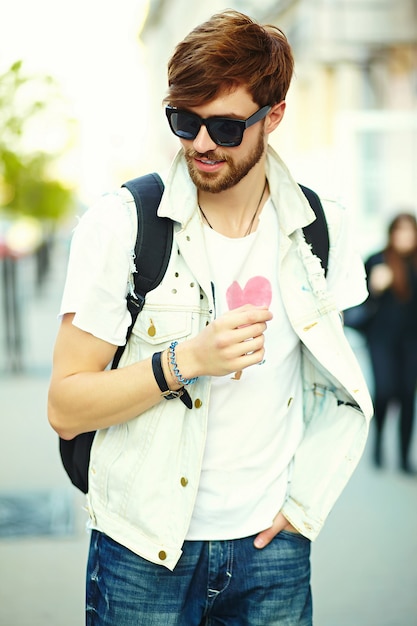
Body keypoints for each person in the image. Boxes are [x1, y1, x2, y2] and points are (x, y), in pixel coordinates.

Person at [48, 10, 373, 625]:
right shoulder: (121, 224)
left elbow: (339, 389)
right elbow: (65, 405)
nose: (200, 143)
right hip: (142, 551)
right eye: (184, 121)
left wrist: (304, 507)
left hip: (272, 550)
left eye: (225, 127)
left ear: (272, 116)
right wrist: (186, 360)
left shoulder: (320, 229)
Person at [363, 213, 417, 474]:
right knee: (384, 391)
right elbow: (361, 300)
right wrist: (375, 288)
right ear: (392, 234)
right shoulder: (378, 260)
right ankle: (378, 444)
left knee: (408, 396)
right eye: (400, 231)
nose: (405, 237)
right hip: (381, 339)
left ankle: (405, 458)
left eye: (410, 231)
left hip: (411, 342)